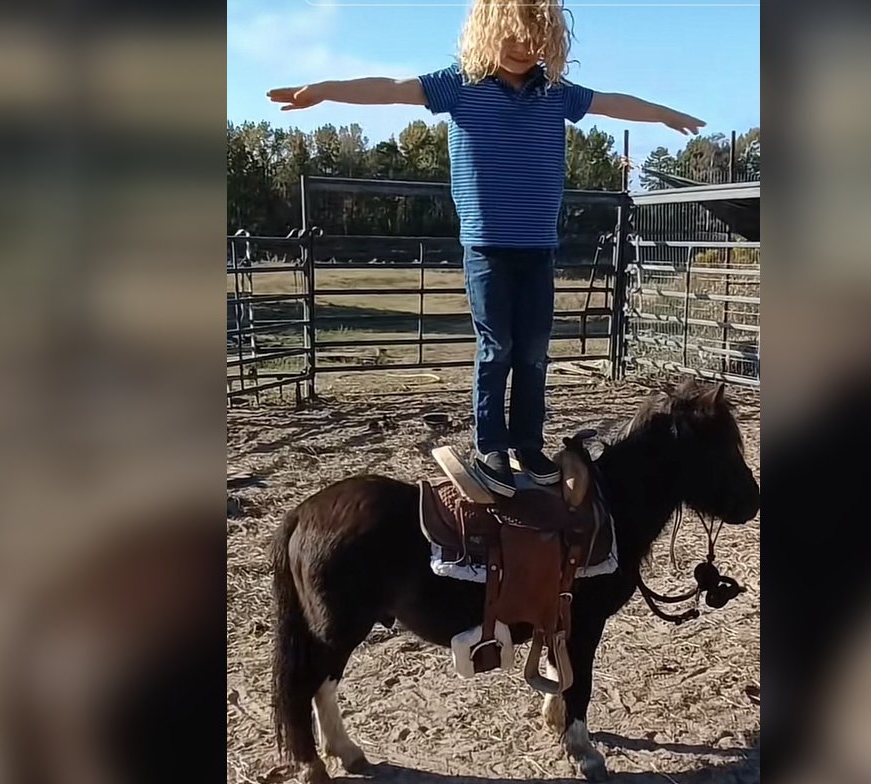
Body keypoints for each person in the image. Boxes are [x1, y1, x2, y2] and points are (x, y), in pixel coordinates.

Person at [270, 0, 704, 497]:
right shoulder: (459, 85)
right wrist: (324, 92)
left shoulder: (556, 93)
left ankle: (527, 443)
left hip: (539, 246)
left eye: (534, 36)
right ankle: (489, 445)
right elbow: (391, 90)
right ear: (489, 32)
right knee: (497, 348)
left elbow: (613, 102)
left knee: (535, 351)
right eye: (512, 34)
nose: (523, 46)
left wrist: (666, 114)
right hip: (487, 248)